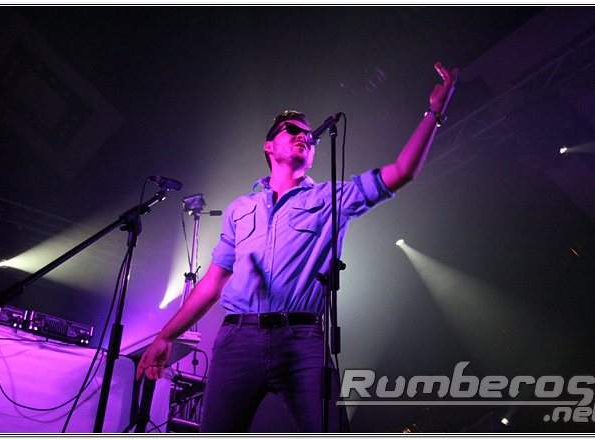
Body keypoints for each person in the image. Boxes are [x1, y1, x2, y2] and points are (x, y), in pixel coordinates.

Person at [136, 62, 459, 432]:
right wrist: (166, 335)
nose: (305, 136)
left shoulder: (331, 197)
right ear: (268, 145)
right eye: (293, 130)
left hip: (303, 340)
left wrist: (434, 112)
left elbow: (401, 171)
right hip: (238, 339)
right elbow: (212, 283)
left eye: (310, 135)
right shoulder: (240, 208)